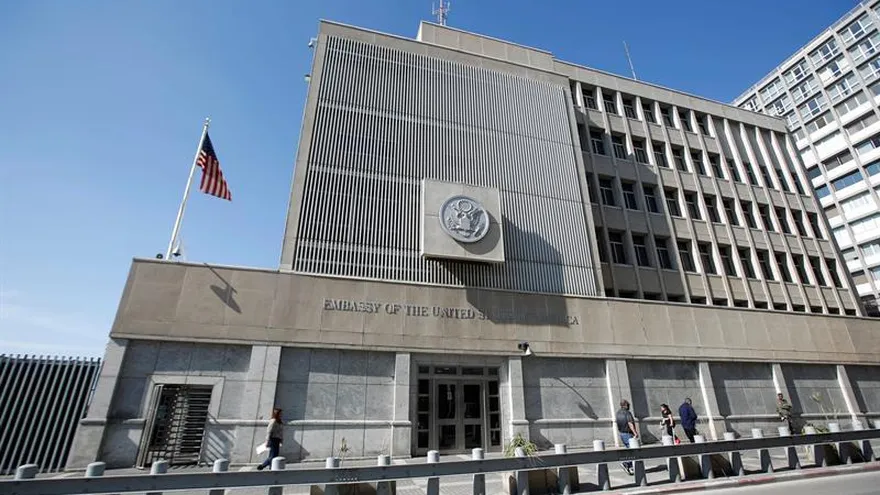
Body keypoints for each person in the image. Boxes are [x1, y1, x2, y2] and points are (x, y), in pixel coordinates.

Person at [615, 399, 639, 475]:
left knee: (629, 450)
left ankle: (630, 466)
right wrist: (635, 433)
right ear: (625, 405)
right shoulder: (627, 413)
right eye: (628, 405)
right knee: (633, 451)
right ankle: (627, 463)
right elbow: (630, 423)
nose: (629, 406)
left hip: (622, 433)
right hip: (628, 433)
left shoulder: (618, 413)